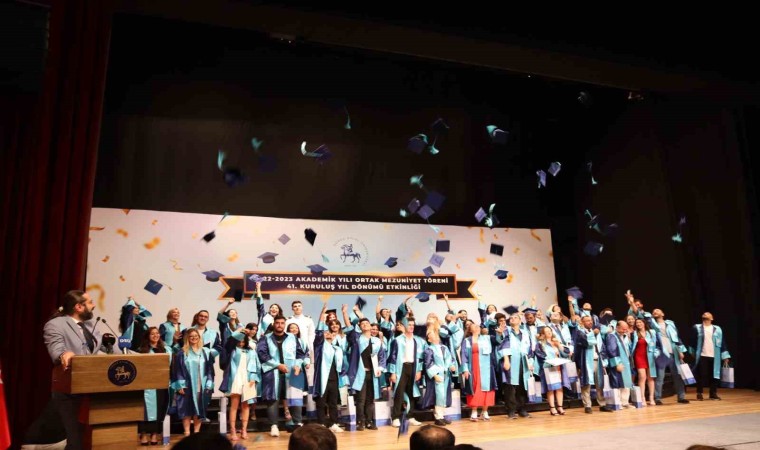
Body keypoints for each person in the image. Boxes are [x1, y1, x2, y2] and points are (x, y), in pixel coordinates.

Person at [43, 290, 102, 450]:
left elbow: (111, 349)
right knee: (76, 441)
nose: (94, 305)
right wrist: (64, 354)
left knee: (91, 440)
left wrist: (145, 356)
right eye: (90, 302)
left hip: (93, 389)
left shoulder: (90, 325)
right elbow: (56, 349)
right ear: (78, 307)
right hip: (69, 390)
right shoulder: (55, 324)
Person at [257, 315, 307, 437]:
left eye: (282, 323)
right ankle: (274, 425)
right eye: (277, 323)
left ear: (285, 324)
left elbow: (300, 354)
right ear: (274, 324)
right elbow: (262, 354)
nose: (280, 325)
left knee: (295, 399)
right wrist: (278, 365)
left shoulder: (292, 337)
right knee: (272, 399)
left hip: (292, 372)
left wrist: (298, 365)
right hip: (272, 372)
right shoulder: (265, 338)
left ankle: (298, 423)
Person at [343, 305, 386, 431]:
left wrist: (380, 369)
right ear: (360, 327)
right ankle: (360, 422)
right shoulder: (356, 338)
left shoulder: (377, 341)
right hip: (360, 374)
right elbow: (349, 328)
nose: (365, 325)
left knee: (370, 399)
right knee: (361, 399)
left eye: (367, 323)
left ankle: (369, 421)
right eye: (362, 324)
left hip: (372, 375)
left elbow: (382, 357)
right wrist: (345, 313)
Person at [172, 328, 215, 436]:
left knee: (199, 409)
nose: (194, 338)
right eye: (191, 336)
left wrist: (209, 382)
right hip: (187, 385)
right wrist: (180, 385)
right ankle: (187, 433)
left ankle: (196, 433)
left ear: (199, 337)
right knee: (186, 409)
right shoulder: (182, 352)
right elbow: (177, 370)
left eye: (196, 336)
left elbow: (210, 369)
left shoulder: (206, 351)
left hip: (201, 384)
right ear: (187, 338)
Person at [219, 328, 259, 441]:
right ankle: (232, 430)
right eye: (239, 340)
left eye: (243, 340)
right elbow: (229, 341)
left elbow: (255, 366)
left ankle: (244, 429)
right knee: (234, 406)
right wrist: (240, 330)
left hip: (248, 380)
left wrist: (253, 378)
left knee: (246, 406)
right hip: (235, 379)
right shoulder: (232, 350)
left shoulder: (251, 351)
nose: (241, 342)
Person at [313, 306, 347, 434]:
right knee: (321, 402)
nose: (328, 334)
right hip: (322, 379)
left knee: (333, 403)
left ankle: (333, 423)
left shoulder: (337, 349)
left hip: (334, 379)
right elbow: (318, 332)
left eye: (330, 334)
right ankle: (321, 423)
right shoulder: (319, 346)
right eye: (326, 333)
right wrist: (322, 314)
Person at [137, 327, 172, 445]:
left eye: (157, 333)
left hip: (160, 384)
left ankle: (154, 434)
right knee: (144, 411)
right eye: (152, 334)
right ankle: (143, 434)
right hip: (144, 385)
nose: (155, 335)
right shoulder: (141, 351)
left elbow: (170, 366)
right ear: (148, 336)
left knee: (159, 409)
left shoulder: (166, 350)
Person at [388, 316, 425, 428]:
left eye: (413, 325)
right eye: (409, 325)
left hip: (413, 367)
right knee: (399, 393)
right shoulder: (397, 340)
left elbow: (420, 357)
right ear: (404, 326)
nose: (411, 327)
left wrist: (419, 370)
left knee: (411, 392)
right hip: (401, 368)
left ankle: (410, 416)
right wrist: (392, 372)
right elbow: (393, 357)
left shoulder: (418, 340)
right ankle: (395, 417)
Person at [573, 315, 613, 413]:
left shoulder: (596, 333)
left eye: (591, 320)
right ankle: (587, 405)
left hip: (597, 360)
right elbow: (585, 342)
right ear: (582, 323)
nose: (590, 322)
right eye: (587, 321)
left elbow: (602, 347)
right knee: (586, 384)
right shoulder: (580, 332)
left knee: (600, 383)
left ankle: (602, 404)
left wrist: (603, 361)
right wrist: (593, 333)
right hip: (586, 361)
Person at [650, 308, 689, 404]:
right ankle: (658, 398)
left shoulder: (670, 324)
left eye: (657, 310)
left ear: (663, 314)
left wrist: (680, 350)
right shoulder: (651, 325)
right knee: (660, 377)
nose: (655, 312)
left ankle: (681, 397)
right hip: (661, 354)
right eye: (653, 311)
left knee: (678, 376)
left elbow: (677, 337)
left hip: (673, 352)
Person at [460, 322, 497, 421]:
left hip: (487, 368)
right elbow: (463, 356)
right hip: (474, 367)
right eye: (474, 326)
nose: (477, 327)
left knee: (487, 389)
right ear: (470, 330)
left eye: (478, 326)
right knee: (475, 388)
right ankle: (474, 411)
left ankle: (485, 411)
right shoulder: (467, 341)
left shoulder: (487, 338)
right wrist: (465, 369)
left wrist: (500, 333)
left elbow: (498, 340)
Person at [499, 312, 533, 419]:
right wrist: (506, 360)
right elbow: (503, 345)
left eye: (515, 317)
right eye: (511, 318)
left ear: (520, 320)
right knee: (510, 386)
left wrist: (530, 362)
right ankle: (511, 410)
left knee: (522, 385)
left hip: (523, 361)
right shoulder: (507, 331)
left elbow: (529, 348)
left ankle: (522, 409)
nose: (512, 319)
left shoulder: (525, 332)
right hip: (511, 360)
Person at [690, 312, 731, 401]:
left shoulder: (717, 329)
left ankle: (713, 394)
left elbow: (722, 342)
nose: (706, 314)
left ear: (712, 318)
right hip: (702, 355)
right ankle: (699, 393)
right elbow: (692, 342)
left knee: (714, 375)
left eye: (708, 313)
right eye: (704, 313)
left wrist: (725, 356)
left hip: (714, 355)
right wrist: (693, 353)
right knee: (701, 374)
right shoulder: (697, 327)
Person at [420, 329, 457, 425]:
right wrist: (434, 375)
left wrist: (451, 365)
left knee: (443, 396)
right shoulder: (429, 350)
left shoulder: (444, 347)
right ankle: (438, 417)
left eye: (436, 335)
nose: (436, 336)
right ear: (429, 339)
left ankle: (442, 415)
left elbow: (450, 359)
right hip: (437, 376)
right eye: (433, 335)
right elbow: (428, 363)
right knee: (438, 396)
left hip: (446, 375)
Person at [534, 326, 568, 416]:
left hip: (559, 366)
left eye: (550, 331)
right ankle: (552, 408)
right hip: (549, 366)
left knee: (559, 387)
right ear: (543, 334)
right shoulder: (540, 344)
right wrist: (549, 360)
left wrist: (559, 345)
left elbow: (566, 353)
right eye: (546, 331)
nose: (549, 332)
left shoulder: (556, 342)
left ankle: (560, 407)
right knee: (551, 388)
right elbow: (540, 355)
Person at [284, 323, 311, 426]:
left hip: (297, 370)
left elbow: (306, 354)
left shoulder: (302, 341)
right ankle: (289, 419)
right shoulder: (284, 341)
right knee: (286, 395)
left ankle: (297, 421)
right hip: (286, 369)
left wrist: (306, 363)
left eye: (296, 328)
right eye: (291, 328)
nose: (294, 329)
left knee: (296, 396)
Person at [605, 320, 634, 409]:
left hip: (626, 362)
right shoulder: (612, 336)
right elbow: (611, 350)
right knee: (617, 382)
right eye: (623, 329)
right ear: (617, 327)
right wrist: (617, 363)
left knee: (626, 382)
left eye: (626, 329)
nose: (625, 331)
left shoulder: (625, 336)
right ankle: (617, 403)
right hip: (618, 362)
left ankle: (625, 402)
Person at [632, 318, 658, 406]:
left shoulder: (652, 332)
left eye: (640, 322)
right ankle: (642, 398)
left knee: (650, 378)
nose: (638, 324)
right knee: (642, 377)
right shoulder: (635, 333)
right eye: (637, 323)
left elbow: (657, 345)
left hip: (650, 357)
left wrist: (656, 353)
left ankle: (651, 398)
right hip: (639, 356)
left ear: (644, 323)